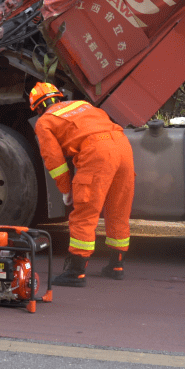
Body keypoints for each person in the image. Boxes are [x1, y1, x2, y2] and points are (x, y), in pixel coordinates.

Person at [29, 81, 135, 287]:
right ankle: (116, 266)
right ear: (58, 97)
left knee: (84, 213)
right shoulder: (83, 105)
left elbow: (54, 161)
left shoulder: (45, 121)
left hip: (97, 151)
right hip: (123, 146)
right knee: (118, 209)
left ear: (38, 107)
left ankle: (76, 272)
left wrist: (66, 189)